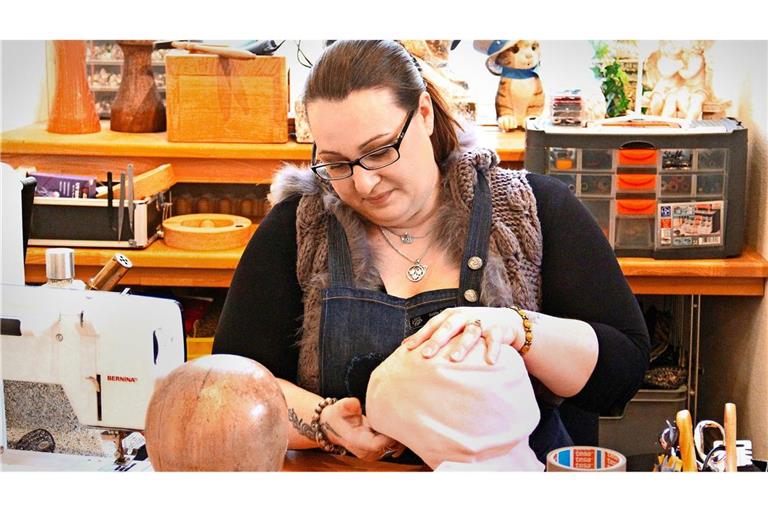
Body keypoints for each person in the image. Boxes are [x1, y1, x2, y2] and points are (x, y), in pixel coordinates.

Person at [213, 40, 650, 465]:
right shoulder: (299, 227)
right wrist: (325, 421)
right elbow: (230, 387)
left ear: (423, 114)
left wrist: (519, 328)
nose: (363, 184)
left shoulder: (531, 211)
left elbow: (620, 373)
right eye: (337, 164)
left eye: (379, 151)